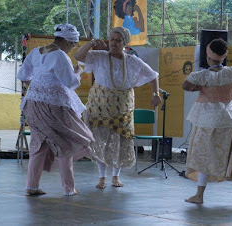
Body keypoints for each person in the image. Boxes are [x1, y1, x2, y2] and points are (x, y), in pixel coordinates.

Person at [74, 26, 161, 189]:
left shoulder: (132, 60)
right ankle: (101, 178)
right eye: (112, 39)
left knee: (121, 140)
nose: (114, 43)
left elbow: (152, 75)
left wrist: (155, 94)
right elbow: (78, 55)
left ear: (124, 43)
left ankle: (116, 177)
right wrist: (91, 43)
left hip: (123, 106)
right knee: (100, 139)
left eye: (118, 40)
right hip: (100, 105)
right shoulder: (99, 56)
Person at [17, 23, 95, 196]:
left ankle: (32, 186)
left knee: (39, 145)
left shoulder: (35, 52)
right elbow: (71, 83)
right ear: (68, 42)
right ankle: (69, 188)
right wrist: (78, 71)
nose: (72, 49)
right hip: (54, 107)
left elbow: (22, 76)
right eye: (73, 45)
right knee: (66, 143)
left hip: (32, 105)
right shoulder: (60, 55)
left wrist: (38, 85)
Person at [182, 38, 232, 204]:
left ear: (208, 57)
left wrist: (197, 88)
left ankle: (199, 196)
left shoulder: (202, 75)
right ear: (223, 57)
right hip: (231, 119)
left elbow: (185, 85)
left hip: (208, 120)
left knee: (204, 156)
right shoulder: (231, 72)